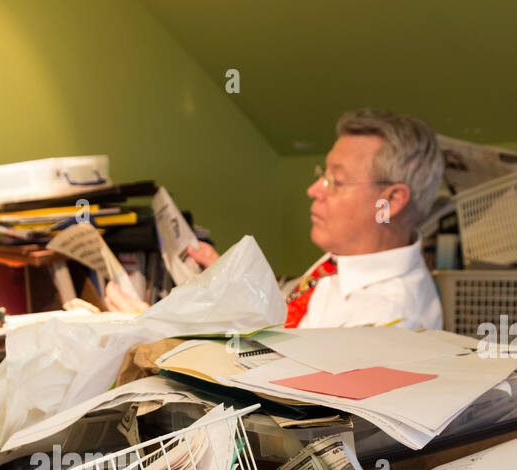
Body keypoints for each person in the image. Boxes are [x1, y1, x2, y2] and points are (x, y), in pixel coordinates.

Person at [188, 109, 445, 330]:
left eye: (336, 181)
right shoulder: (345, 261)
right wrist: (225, 279)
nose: (313, 190)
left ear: (388, 203)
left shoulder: (385, 322)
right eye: (323, 174)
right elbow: (285, 320)